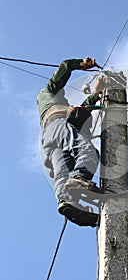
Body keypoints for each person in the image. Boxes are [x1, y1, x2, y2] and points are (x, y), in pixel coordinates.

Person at [37, 57, 105, 227]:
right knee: (87, 152)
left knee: (62, 175)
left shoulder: (61, 104)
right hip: (58, 125)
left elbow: (82, 109)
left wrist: (96, 94)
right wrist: (82, 64)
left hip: (49, 139)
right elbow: (65, 67)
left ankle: (68, 204)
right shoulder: (48, 93)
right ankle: (79, 178)